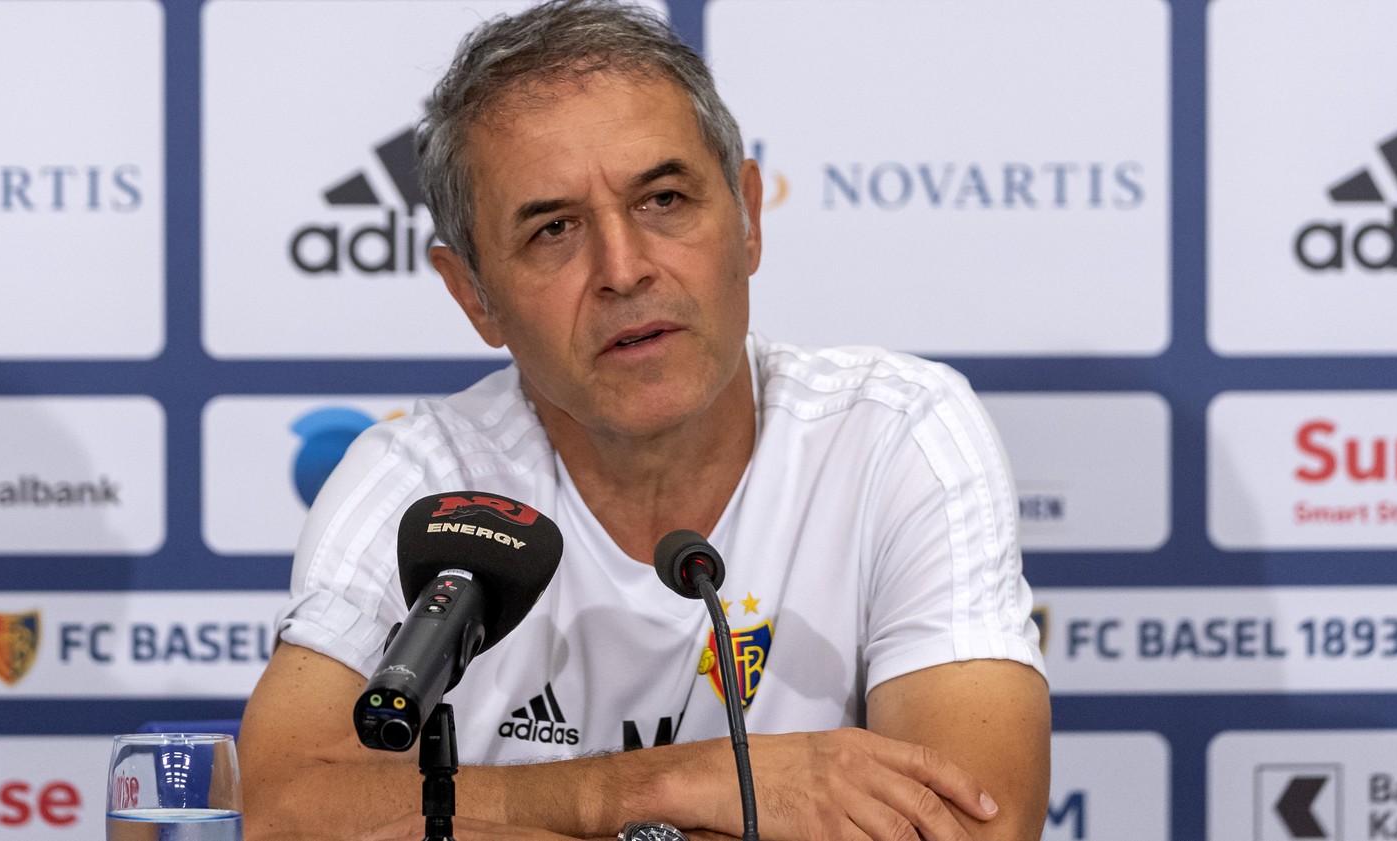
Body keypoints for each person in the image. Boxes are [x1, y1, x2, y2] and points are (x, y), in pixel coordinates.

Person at [239, 1, 1050, 839]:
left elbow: (973, 822)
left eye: (663, 199)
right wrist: (683, 782)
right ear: (473, 294)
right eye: (553, 228)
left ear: (747, 216)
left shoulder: (896, 435)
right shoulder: (420, 483)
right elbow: (287, 808)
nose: (623, 269)